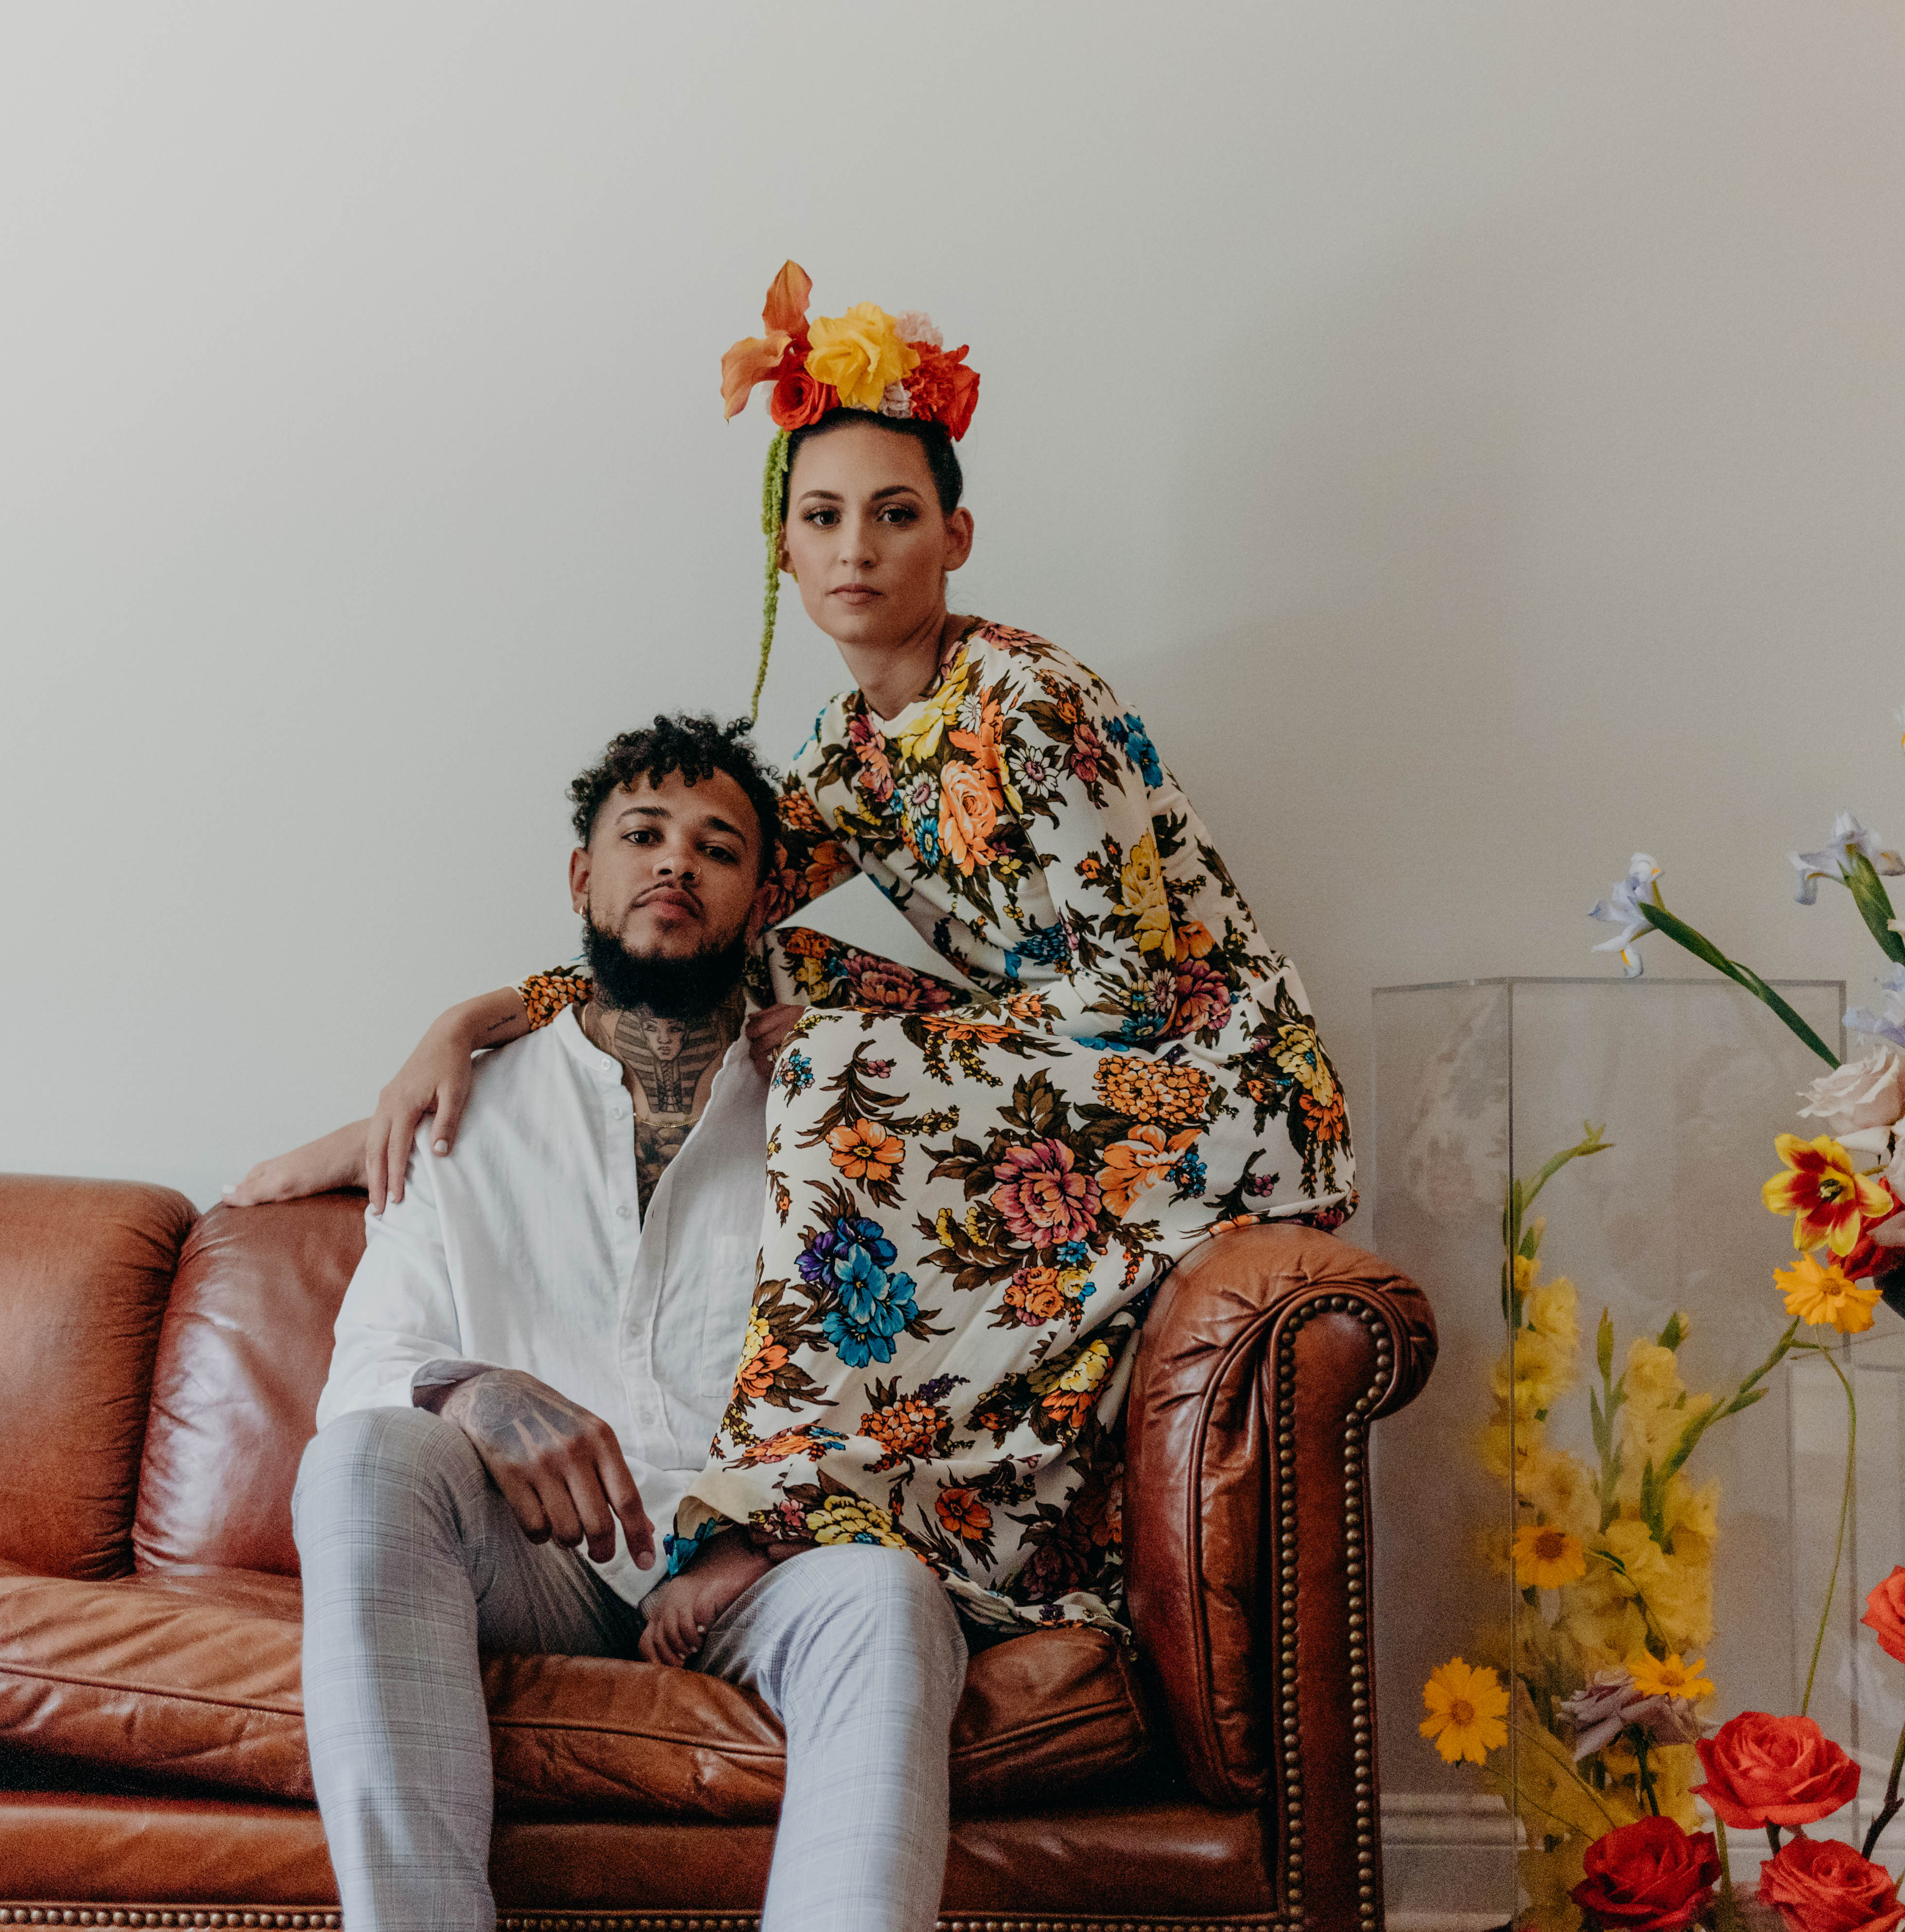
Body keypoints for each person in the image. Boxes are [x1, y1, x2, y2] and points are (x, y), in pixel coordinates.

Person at [248, 260, 1356, 1642]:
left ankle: (769, 1512)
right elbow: (701, 923)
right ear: (783, 549)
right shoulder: (847, 751)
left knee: (829, 1053)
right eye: (822, 517)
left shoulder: (1027, 704)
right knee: (771, 962)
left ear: (954, 537)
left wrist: (876, 1049)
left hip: (1215, 1081)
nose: (856, 550)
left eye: (894, 515)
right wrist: (455, 1037)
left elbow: (1134, 1002)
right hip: (1040, 1062)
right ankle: (793, 1457)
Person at [290, 715, 966, 1932]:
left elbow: (920, 1377)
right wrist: (478, 1390)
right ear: (581, 877)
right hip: (532, 1557)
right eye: (643, 834)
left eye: (717, 847)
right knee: (365, 1457)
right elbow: (366, 1370)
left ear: (761, 902)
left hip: (755, 1572)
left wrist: (759, 1535)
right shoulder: (461, 1112)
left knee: (886, 1598)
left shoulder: (841, 1109)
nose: (674, 862)